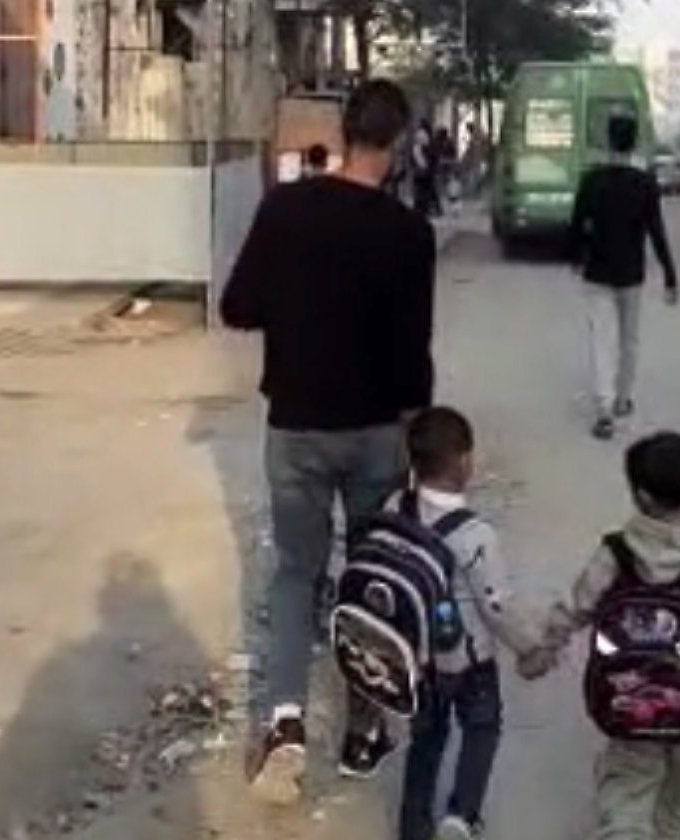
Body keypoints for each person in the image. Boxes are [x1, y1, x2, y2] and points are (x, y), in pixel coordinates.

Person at [220, 79, 436, 803]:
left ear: (343, 132)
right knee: (371, 574)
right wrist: (416, 435)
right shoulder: (409, 234)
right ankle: (364, 730)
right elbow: (414, 353)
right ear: (398, 143)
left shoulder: (285, 209)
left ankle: (284, 723)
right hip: (377, 432)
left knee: (296, 574)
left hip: (297, 426)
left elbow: (238, 306)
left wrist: (298, 306)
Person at [522, 431, 680, 840]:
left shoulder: (617, 553)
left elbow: (577, 605)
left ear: (640, 495)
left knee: (627, 788)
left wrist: (544, 649)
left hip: (628, 698)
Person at [390, 407, 542, 840]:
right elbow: (497, 606)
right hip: (468, 658)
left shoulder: (396, 507)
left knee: (426, 737)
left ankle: (413, 824)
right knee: (481, 727)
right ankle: (461, 815)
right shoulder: (475, 535)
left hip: (416, 654)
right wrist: (530, 647)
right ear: (464, 462)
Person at [568, 114, 680, 441]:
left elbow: (577, 224)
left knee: (602, 339)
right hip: (631, 272)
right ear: (633, 143)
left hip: (597, 270)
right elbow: (656, 231)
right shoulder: (644, 183)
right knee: (629, 339)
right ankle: (623, 397)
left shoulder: (592, 180)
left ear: (608, 141)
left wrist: (575, 257)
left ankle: (604, 408)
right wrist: (670, 275)